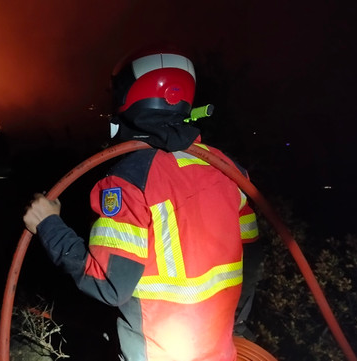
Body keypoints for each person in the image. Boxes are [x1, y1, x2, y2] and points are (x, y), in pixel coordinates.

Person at [23, 47, 259, 361]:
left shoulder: (128, 180)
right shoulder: (230, 170)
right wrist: (237, 324)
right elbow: (252, 259)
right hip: (220, 351)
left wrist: (48, 225)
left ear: (125, 98)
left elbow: (107, 284)